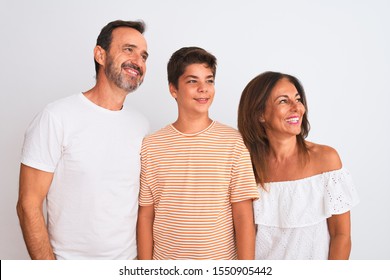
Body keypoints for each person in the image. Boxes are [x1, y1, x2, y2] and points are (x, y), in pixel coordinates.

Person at [16, 20, 149, 260]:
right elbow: (28, 205)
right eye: (128, 49)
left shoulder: (140, 125)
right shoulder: (56, 116)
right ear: (100, 54)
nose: (138, 61)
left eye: (144, 55)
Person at [136, 47, 259, 260]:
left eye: (209, 81)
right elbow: (146, 216)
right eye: (193, 81)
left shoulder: (233, 142)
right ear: (173, 89)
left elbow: (243, 215)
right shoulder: (151, 146)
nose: (203, 88)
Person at [237, 71, 360, 260]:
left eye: (298, 99)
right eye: (283, 101)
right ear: (260, 114)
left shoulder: (326, 160)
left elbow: (341, 236)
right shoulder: (246, 167)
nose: (297, 108)